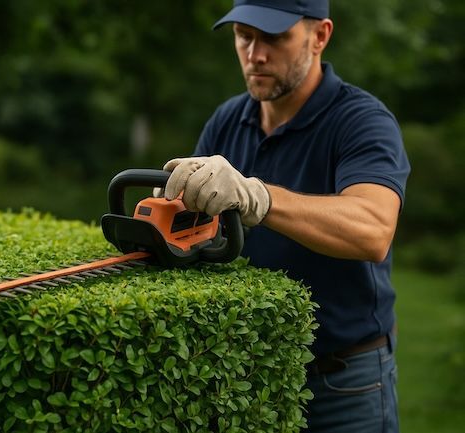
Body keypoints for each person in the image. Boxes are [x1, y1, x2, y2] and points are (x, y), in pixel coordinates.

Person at [159, 1, 410, 432]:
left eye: (274, 38)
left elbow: (373, 229)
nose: (255, 54)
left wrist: (260, 198)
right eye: (244, 36)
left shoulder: (362, 121)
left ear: (320, 37)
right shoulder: (227, 121)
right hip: (247, 374)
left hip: (345, 384)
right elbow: (197, 231)